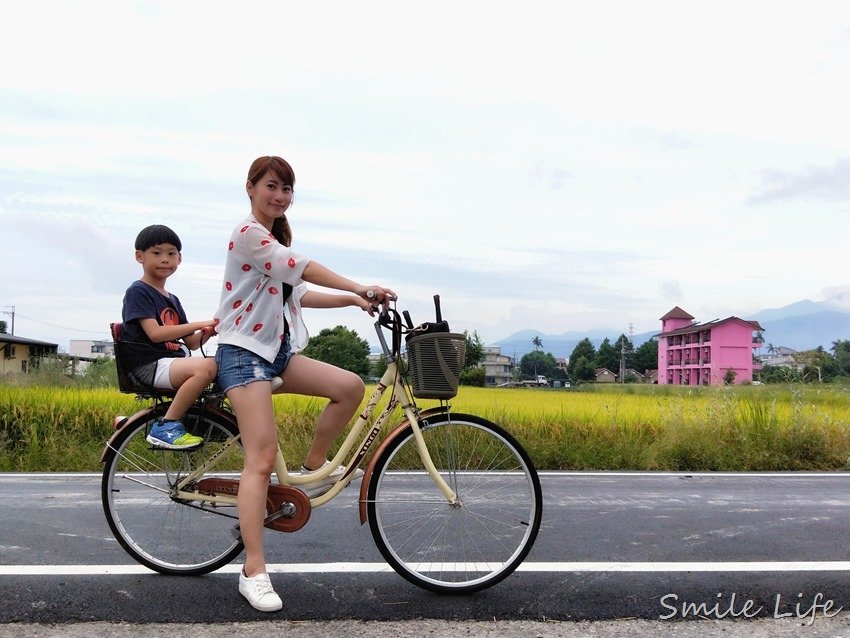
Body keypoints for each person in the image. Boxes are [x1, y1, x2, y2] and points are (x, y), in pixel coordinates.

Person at [213, 155, 394, 612]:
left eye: (287, 189)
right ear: (251, 187)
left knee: (349, 386)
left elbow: (303, 292)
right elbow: (303, 267)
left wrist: (353, 299)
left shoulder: (273, 240)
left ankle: (316, 462)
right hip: (242, 355)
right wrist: (361, 285)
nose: (279, 195)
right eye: (272, 186)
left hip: (276, 353)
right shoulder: (248, 235)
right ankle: (253, 569)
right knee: (261, 458)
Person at [122, 225, 218, 449]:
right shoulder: (138, 291)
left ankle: (204, 421)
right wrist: (198, 323)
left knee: (222, 362)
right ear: (139, 256)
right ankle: (166, 425)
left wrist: (210, 330)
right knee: (206, 368)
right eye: (157, 253)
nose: (165, 259)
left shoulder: (172, 299)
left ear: (179, 258)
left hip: (171, 363)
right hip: (148, 365)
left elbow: (192, 343)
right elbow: (155, 334)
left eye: (171, 253)